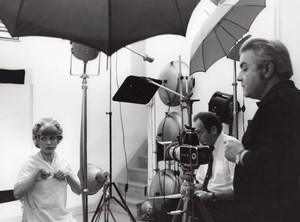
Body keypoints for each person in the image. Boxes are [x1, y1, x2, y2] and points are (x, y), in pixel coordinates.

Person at [224, 38, 300, 222]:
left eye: (244, 67)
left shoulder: (279, 105)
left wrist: (239, 154)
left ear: (267, 69)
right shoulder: (284, 101)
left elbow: (275, 166)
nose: (239, 77)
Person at [14, 118, 81, 222]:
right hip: (36, 218)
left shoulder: (63, 162)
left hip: (61, 218)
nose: (48, 143)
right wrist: (35, 172)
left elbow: (79, 190)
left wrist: (68, 175)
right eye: (44, 139)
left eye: (52, 138)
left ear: (58, 140)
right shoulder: (30, 163)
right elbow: (17, 193)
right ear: (38, 140)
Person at [193, 112, 236, 221]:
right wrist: (189, 187)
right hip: (207, 198)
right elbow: (202, 182)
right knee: (168, 206)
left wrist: (212, 196)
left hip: (224, 203)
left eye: (200, 132)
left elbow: (239, 190)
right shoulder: (206, 148)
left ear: (213, 130)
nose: (198, 138)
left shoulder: (231, 146)